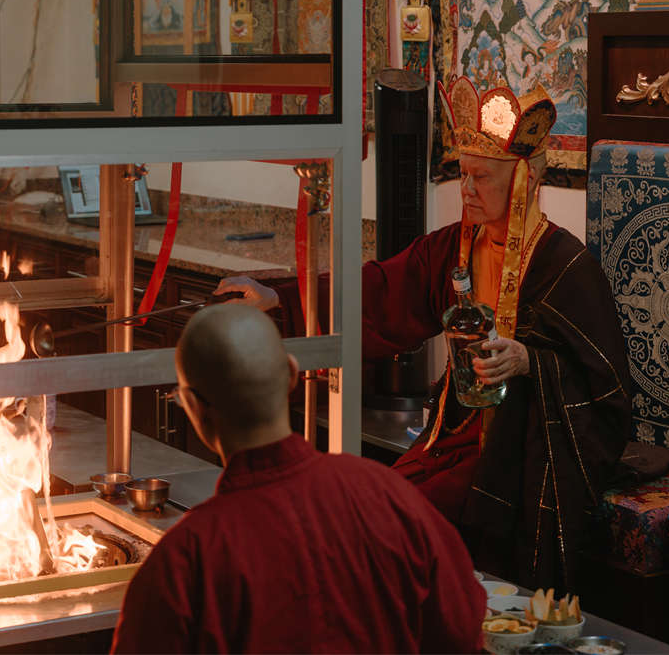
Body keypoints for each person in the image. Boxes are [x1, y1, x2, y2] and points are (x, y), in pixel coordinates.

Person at [217, 79, 631, 589]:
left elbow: (608, 393)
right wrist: (281, 299)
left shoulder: (565, 266)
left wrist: (529, 361)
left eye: (482, 177)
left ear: (523, 181)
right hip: (454, 435)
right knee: (373, 506)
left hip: (520, 451)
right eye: (463, 174)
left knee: (400, 523)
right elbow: (381, 291)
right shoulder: (456, 248)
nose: (466, 190)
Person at [110, 304, 486, 654]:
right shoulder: (389, 494)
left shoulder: (183, 562)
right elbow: (462, 629)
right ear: (292, 374)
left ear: (192, 406)